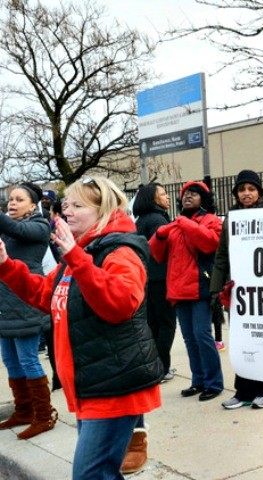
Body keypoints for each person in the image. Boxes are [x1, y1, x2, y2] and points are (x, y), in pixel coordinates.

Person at [0, 176, 164, 479]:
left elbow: (120, 304)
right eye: (66, 205)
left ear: (103, 210)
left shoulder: (119, 251)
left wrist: (76, 257)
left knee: (90, 474)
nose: (67, 212)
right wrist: (6, 265)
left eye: (78, 205)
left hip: (115, 386)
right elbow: (45, 295)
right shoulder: (82, 252)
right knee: (99, 473)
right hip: (93, 385)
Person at [149, 180, 224, 402]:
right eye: (186, 194)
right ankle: (198, 381)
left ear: (204, 198)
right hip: (179, 290)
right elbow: (157, 254)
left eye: (194, 193)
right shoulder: (176, 224)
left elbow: (209, 243)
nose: (188, 196)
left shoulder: (210, 220)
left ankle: (214, 383)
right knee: (190, 339)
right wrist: (160, 235)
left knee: (202, 335)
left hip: (201, 288)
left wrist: (183, 223)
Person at [210, 170, 263, 409]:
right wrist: (216, 288)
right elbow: (222, 255)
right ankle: (243, 391)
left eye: (251, 189)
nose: (246, 193)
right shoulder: (230, 220)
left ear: (259, 191)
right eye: (241, 190)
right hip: (237, 291)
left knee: (262, 339)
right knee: (242, 341)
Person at [0, 182, 57, 440]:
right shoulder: (9, 231)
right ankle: (24, 410)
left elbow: (14, 227)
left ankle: (45, 415)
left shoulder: (39, 226)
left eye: (18, 199)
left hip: (25, 302)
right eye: (9, 199)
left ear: (33, 205)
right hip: (4, 306)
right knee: (11, 361)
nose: (12, 203)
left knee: (28, 360)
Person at [133, 183, 177, 382]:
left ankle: (154, 365)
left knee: (153, 324)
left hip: (146, 278)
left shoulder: (140, 220)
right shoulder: (159, 219)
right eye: (163, 194)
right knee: (167, 324)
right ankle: (163, 367)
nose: (167, 197)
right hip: (161, 277)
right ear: (153, 199)